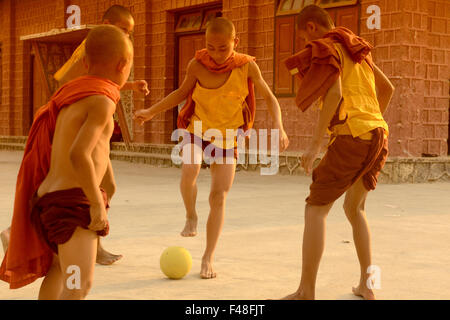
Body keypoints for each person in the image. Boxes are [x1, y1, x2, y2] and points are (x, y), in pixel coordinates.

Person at [134, 17, 289, 279]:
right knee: (189, 169)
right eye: (211, 47)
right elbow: (181, 93)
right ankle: (191, 215)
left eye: (223, 48)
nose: (216, 54)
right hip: (197, 130)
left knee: (219, 196)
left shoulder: (247, 67)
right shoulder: (197, 64)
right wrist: (151, 111)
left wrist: (280, 127)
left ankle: (208, 257)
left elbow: (270, 98)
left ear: (235, 43)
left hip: (227, 136)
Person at [0, 4, 148, 265]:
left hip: (93, 122)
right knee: (72, 188)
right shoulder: (92, 45)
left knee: (110, 187)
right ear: (105, 23)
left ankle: (95, 234)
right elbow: (69, 80)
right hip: (81, 123)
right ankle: (22, 231)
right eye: (123, 29)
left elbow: (101, 80)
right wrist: (86, 102)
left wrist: (131, 86)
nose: (126, 35)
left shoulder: (110, 55)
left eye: (129, 32)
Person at [281, 5, 394, 300]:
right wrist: (368, 122)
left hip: (352, 137)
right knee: (355, 209)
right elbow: (388, 89)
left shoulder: (327, 48)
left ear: (311, 28)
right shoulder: (359, 51)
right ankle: (367, 286)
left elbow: (335, 94)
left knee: (315, 209)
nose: (307, 47)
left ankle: (306, 291)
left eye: (304, 38)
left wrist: (316, 144)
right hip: (378, 134)